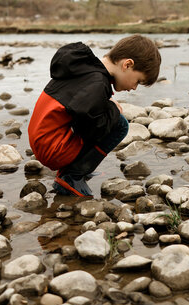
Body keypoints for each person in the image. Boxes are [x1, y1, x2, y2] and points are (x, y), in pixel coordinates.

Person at [28, 35, 161, 197]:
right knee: (120, 125)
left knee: (107, 117)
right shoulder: (97, 84)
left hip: (41, 140)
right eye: (138, 81)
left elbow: (79, 105)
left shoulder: (85, 68)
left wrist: (106, 101)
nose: (134, 88)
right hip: (53, 150)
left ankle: (74, 168)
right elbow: (92, 130)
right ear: (127, 64)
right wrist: (112, 109)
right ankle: (73, 176)